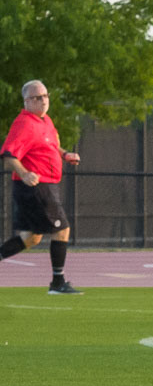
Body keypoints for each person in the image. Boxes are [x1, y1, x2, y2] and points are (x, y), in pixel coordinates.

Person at [0, 80, 83, 294]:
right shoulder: (24, 123)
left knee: (31, 237)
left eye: (46, 95)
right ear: (27, 101)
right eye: (38, 97)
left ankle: (57, 282)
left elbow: (51, 145)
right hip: (36, 187)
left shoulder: (45, 121)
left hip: (45, 185)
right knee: (62, 229)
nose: (44, 100)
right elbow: (8, 155)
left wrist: (65, 155)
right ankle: (57, 283)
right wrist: (25, 173)